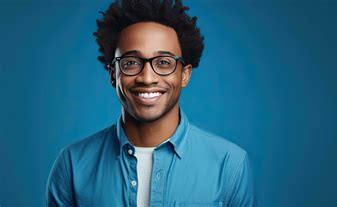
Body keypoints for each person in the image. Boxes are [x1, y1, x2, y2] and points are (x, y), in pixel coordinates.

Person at [46, 0, 256, 206]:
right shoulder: (72, 165)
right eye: (131, 63)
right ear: (113, 75)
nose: (147, 78)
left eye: (163, 62)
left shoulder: (230, 165)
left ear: (184, 74)